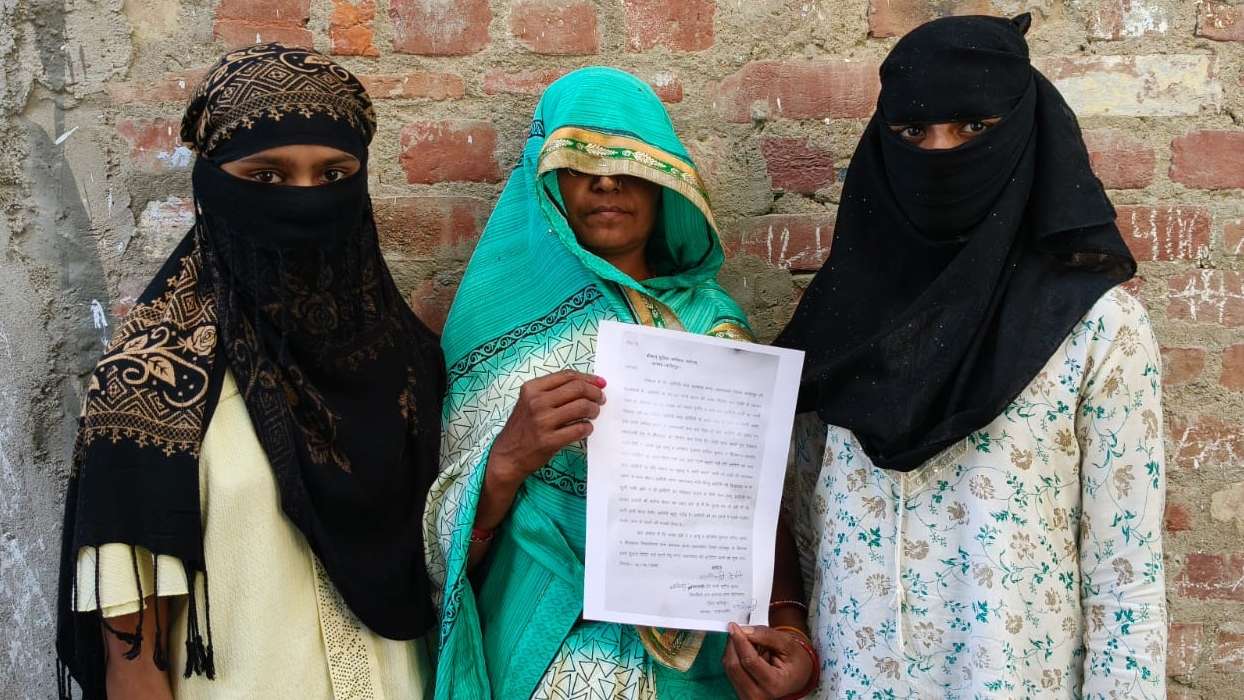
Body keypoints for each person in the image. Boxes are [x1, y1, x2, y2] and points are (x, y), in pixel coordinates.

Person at [774, 14, 1167, 699]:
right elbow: (809, 538)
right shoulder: (837, 330)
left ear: (1022, 131)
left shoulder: (1097, 330)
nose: (941, 156)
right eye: (912, 133)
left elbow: (1125, 582)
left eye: (973, 128)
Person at [55, 43, 444, 699]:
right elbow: (135, 665)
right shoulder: (152, 385)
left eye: (333, 173)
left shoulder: (409, 364)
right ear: (213, 184)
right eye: (266, 176)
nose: (305, 201)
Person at [425, 67, 817, 700]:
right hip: (543, 655)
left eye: (630, 162)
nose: (607, 181)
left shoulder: (711, 324)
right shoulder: (490, 332)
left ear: (668, 182)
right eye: (580, 162)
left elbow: (755, 509)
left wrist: (791, 628)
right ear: (546, 182)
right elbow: (442, 566)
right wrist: (504, 463)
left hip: (698, 668)